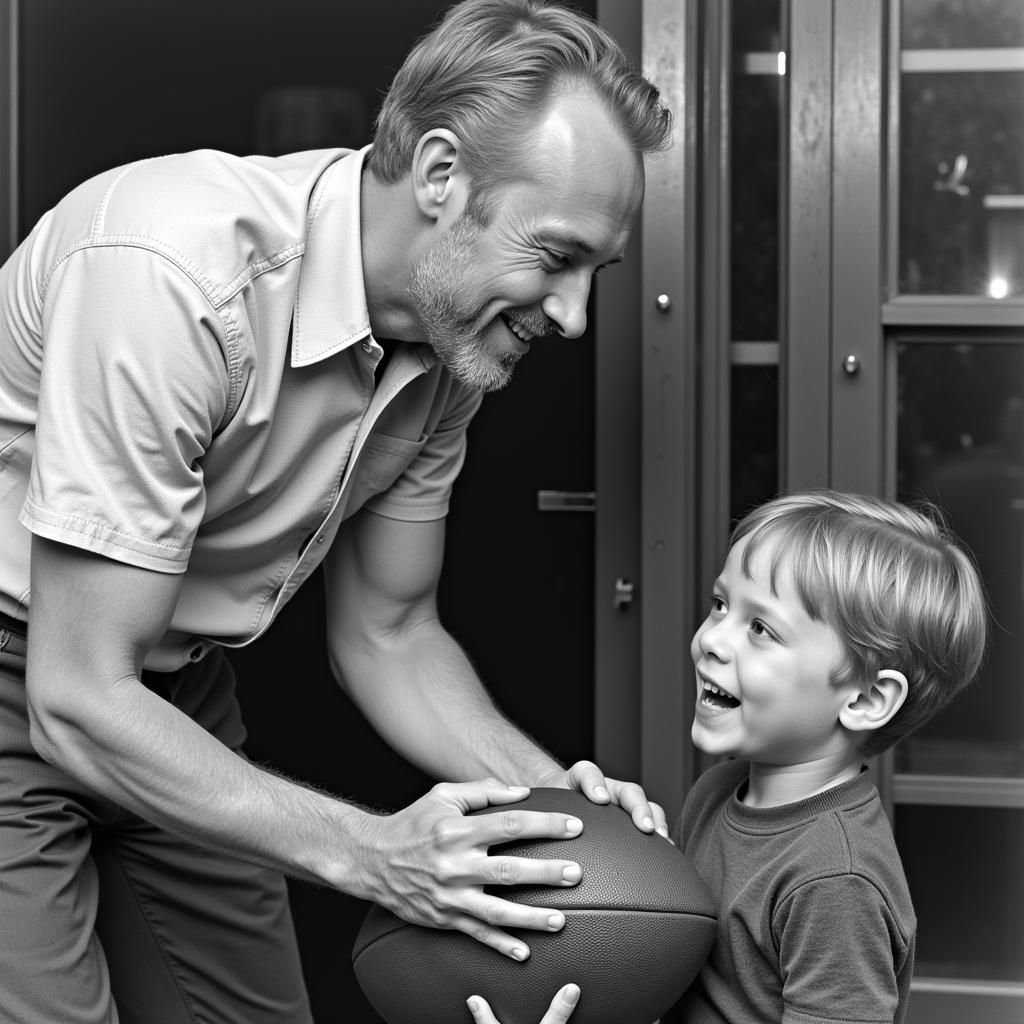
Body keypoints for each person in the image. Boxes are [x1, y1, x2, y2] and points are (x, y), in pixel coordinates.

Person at [0, 1, 673, 1021]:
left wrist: (554, 806)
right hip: (41, 676)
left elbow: (390, 634)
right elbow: (77, 693)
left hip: (172, 689)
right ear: (441, 177)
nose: (574, 317)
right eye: (555, 257)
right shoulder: (170, 271)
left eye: (596, 272)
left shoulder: (448, 352)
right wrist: (373, 854)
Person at [674, 489, 988, 1023]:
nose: (712, 639)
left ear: (865, 700)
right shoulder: (715, 792)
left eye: (760, 629)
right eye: (721, 604)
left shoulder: (835, 880)